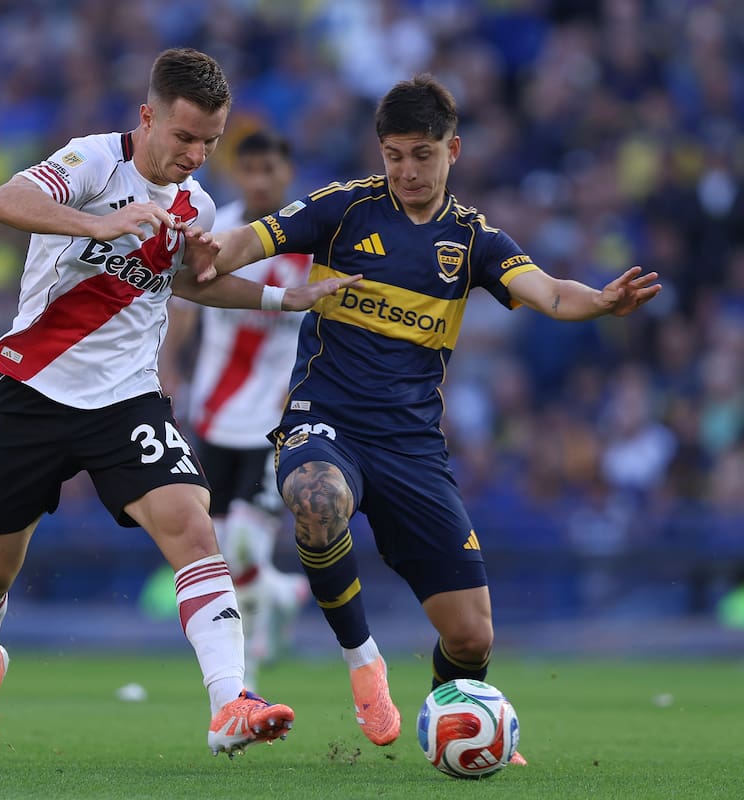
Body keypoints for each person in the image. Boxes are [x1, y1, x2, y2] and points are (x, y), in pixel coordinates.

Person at [207, 75, 661, 757]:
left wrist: (598, 300)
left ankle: (453, 716)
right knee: (314, 496)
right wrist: (214, 249)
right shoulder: (344, 209)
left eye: (422, 154)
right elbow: (251, 239)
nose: (407, 170)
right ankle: (366, 665)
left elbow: (546, 292)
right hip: (323, 418)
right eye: (394, 154)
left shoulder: (472, 238)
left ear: (454, 150)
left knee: (472, 635)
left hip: (412, 447)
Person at [0, 48, 360, 765]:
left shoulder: (194, 203)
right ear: (149, 118)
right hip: (34, 392)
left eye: (210, 141)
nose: (197, 156)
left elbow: (188, 283)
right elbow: (2, 201)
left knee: (194, 530)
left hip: (127, 401)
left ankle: (231, 699)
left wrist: (279, 297)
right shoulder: (91, 163)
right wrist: (96, 225)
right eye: (185, 137)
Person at [162, 130, 311, 691]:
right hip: (217, 410)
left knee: (245, 542)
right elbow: (185, 306)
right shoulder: (218, 231)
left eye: (268, 169)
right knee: (221, 546)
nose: (258, 180)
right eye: (248, 169)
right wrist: (170, 370)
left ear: (285, 173)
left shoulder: (309, 239)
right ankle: (279, 593)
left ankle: (246, 667)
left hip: (275, 416)